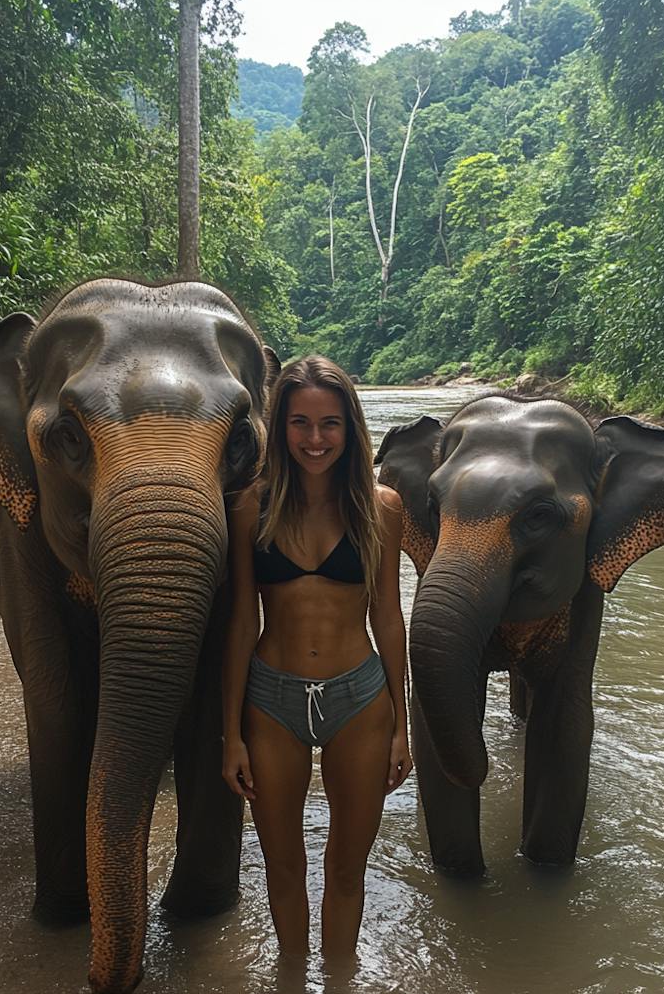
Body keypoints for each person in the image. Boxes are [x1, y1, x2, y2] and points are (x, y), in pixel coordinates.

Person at [222, 355, 411, 961]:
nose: (314, 439)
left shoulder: (381, 508)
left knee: (347, 872)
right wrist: (231, 735)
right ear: (279, 428)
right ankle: (290, 977)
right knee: (282, 869)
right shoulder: (252, 506)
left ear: (350, 429)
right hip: (271, 700)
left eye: (329, 424)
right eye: (299, 423)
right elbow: (241, 622)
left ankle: (338, 978)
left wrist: (403, 725)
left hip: (358, 698)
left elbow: (387, 615)